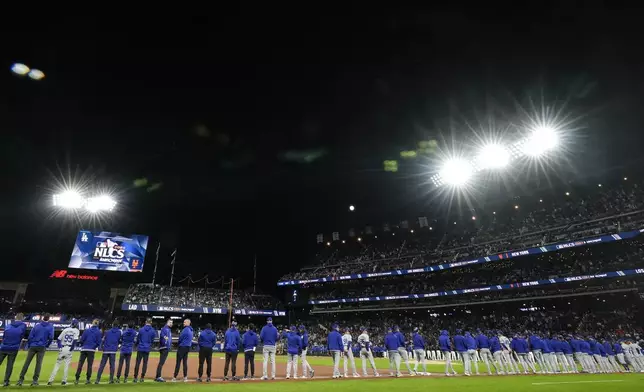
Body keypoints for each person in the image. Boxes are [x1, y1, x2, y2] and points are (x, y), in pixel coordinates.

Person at [18, 315, 54, 386]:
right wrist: (47, 345)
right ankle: (35, 381)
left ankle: (20, 380)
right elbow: (51, 337)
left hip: (33, 346)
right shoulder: (50, 326)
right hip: (42, 347)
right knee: (38, 364)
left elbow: (30, 336)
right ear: (48, 319)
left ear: (43, 318)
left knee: (27, 363)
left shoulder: (37, 326)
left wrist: (30, 344)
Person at [0, 314, 27, 387]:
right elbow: (22, 335)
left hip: (4, 347)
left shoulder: (9, 325)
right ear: (22, 318)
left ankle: (6, 381)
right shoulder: (23, 325)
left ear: (15, 318)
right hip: (13, 348)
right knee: (9, 365)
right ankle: (6, 381)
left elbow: (4, 335)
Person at [75, 319, 102, 384]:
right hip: (91, 350)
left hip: (84, 349)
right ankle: (88, 380)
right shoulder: (98, 332)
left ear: (92, 323)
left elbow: (81, 340)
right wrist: (94, 347)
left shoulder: (87, 330)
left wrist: (83, 344)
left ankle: (77, 379)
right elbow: (99, 342)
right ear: (97, 324)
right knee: (89, 365)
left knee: (80, 364)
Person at [133, 318, 156, 383]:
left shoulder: (141, 329)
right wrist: (149, 345)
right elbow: (152, 340)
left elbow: (138, 339)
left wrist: (136, 345)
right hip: (147, 348)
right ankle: (142, 377)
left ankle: (135, 377)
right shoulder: (153, 330)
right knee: (145, 364)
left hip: (140, 348)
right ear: (151, 322)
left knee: (137, 363)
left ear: (146, 322)